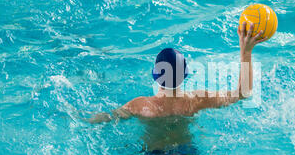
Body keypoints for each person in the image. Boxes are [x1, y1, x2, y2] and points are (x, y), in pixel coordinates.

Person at [88, 22, 268, 125]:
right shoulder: (197, 100)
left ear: (155, 75)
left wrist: (82, 118)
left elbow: (108, 117)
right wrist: (246, 52)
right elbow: (243, 93)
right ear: (185, 75)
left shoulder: (141, 105)